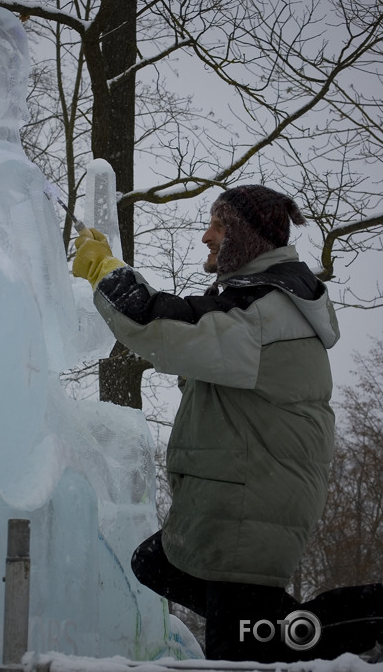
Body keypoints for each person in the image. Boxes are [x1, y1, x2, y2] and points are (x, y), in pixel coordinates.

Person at [72, 184, 340, 661]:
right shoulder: (258, 302)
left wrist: (105, 272)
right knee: (157, 564)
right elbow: (193, 334)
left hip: (253, 506)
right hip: (246, 498)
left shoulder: (262, 310)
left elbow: (164, 328)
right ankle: (301, 636)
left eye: (218, 226)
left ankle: (342, 633)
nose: (205, 237)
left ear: (245, 238)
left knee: (236, 653)